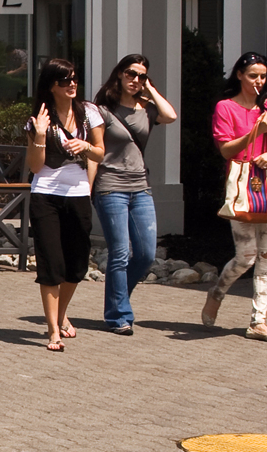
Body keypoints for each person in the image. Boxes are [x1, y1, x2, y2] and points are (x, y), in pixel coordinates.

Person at [202, 52, 267, 343]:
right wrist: (257, 132)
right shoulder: (226, 107)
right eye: (253, 75)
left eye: (263, 76)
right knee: (246, 258)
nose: (259, 81)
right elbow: (226, 150)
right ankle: (217, 292)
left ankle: (258, 322)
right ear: (240, 76)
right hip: (244, 190)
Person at [91, 51, 178, 335]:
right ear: (119, 74)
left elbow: (170, 115)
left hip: (140, 188)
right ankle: (118, 316)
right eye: (130, 74)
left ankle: (118, 300)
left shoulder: (146, 108)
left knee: (145, 254)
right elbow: (94, 152)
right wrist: (87, 188)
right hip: (110, 187)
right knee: (119, 253)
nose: (135, 80)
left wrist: (151, 89)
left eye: (141, 75)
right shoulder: (103, 108)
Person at [25, 57, 103, 350]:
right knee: (51, 264)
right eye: (64, 81)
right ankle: (53, 330)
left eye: (74, 79)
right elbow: (34, 166)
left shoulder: (89, 113)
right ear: (51, 86)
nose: (71, 84)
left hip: (78, 194)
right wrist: (41, 136)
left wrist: (86, 147)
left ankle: (61, 313)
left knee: (77, 265)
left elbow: (100, 154)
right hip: (46, 194)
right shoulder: (39, 119)